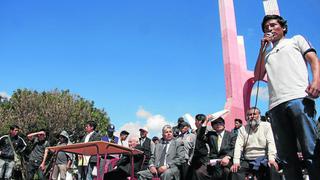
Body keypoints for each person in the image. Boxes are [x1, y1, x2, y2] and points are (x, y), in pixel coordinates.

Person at [254, 14, 320, 180]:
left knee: (311, 150)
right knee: (287, 158)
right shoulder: (267, 54)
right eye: (266, 27)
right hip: (275, 107)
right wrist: (262, 49)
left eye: (273, 25)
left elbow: (313, 60)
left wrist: (316, 80)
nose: (269, 28)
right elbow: (257, 75)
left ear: (283, 28)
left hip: (299, 99)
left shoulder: (296, 40)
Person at [230, 107, 280, 180]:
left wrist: (271, 159)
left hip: (264, 158)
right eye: (249, 115)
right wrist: (236, 162)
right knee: (235, 170)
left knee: (272, 167)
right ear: (246, 117)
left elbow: (271, 143)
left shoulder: (266, 126)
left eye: (254, 114)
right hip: (247, 160)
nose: (252, 116)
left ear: (259, 115)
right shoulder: (242, 129)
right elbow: (238, 146)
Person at [188, 114, 211, 180]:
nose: (195, 123)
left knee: (199, 173)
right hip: (195, 159)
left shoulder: (208, 129)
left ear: (200, 121)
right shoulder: (195, 131)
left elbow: (202, 136)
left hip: (204, 159)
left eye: (196, 121)